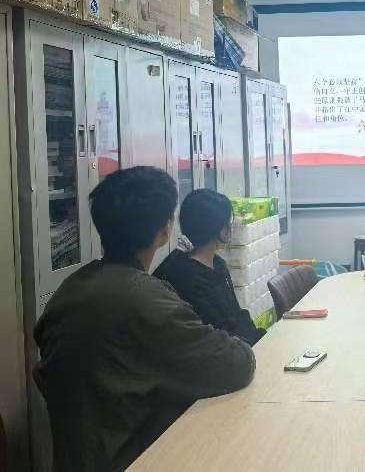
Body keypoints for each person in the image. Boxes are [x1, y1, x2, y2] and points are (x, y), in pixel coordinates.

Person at [34, 167, 256, 472]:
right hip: (140, 458)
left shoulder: (70, 290)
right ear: (165, 230)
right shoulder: (148, 300)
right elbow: (236, 365)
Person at [154, 189, 266, 345]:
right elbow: (217, 332)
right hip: (217, 353)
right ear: (222, 229)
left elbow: (236, 313)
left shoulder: (217, 263)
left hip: (235, 347)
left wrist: (261, 338)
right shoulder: (182, 275)